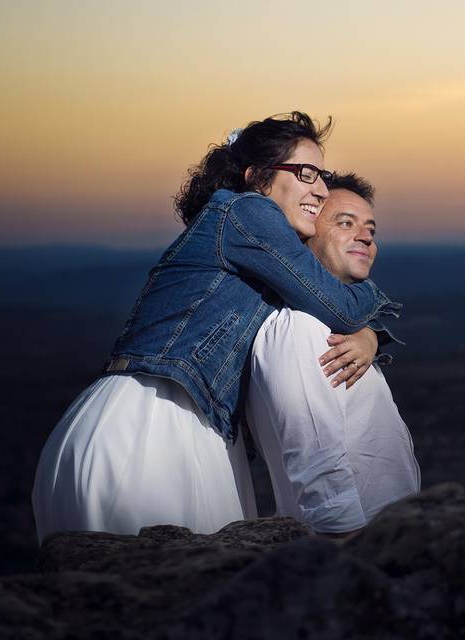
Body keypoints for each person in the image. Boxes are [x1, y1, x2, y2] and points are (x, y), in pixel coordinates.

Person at [32, 112, 400, 543]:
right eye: (306, 173)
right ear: (256, 175)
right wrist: (372, 310)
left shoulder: (260, 253)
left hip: (189, 426)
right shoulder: (245, 210)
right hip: (150, 425)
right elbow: (334, 303)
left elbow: (321, 306)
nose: (320, 189)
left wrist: (372, 335)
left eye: (323, 175)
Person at [246, 173, 420, 536]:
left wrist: (369, 334)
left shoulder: (334, 331)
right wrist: (348, 548)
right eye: (345, 223)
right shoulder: (299, 330)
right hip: (357, 543)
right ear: (302, 239)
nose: (366, 236)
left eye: (371, 229)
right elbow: (315, 464)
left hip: (388, 537)